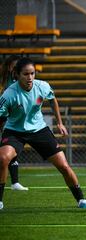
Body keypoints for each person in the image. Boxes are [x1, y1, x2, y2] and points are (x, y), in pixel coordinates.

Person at [0, 57, 86, 210]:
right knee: (3, 158)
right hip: (15, 132)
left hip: (39, 130)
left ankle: (81, 199)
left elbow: (53, 99)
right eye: (25, 74)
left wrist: (60, 123)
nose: (29, 78)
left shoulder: (42, 86)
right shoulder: (8, 94)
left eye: (32, 73)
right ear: (17, 75)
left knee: (63, 165)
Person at [0, 55, 28, 191]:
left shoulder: (15, 79)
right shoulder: (8, 81)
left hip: (10, 117)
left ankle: (15, 182)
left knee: (12, 152)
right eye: (16, 65)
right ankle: (14, 182)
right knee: (8, 151)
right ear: (11, 66)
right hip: (5, 117)